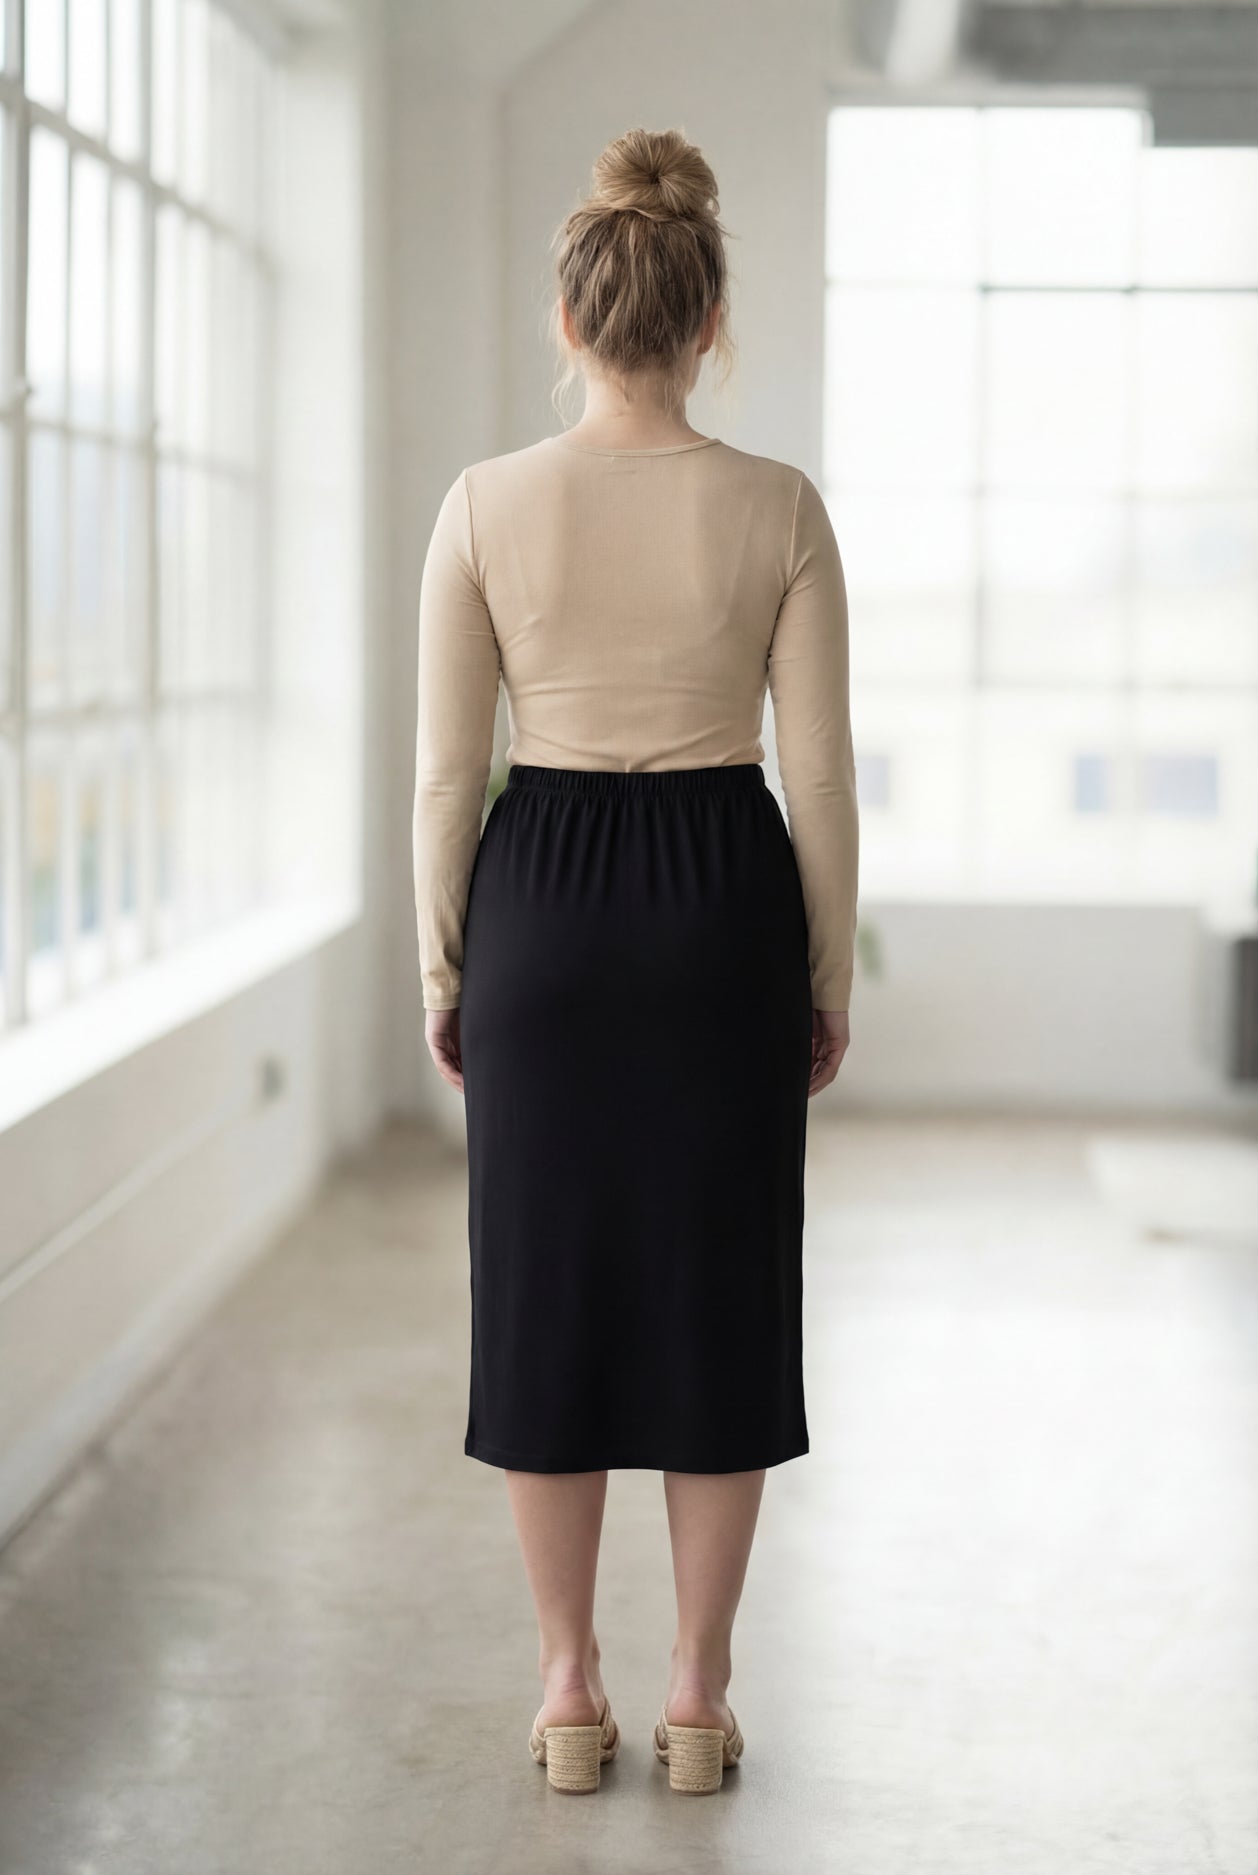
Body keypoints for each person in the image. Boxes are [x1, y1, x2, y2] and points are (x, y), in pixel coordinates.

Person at [412, 126, 858, 1796]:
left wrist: (445, 971)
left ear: (569, 316)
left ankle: (566, 1692)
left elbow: (451, 776)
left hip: (540, 897)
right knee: (717, 1298)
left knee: (544, 1298)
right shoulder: (778, 508)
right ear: (708, 317)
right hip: (719, 891)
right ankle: (693, 1695)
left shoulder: (483, 505)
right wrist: (823, 976)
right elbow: (815, 775)